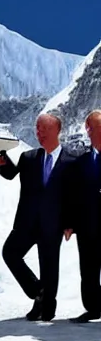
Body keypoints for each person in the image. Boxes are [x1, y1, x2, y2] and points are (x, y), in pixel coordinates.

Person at [0, 113, 75, 322]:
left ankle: (47, 307)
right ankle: (39, 292)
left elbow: (75, 196)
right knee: (10, 253)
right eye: (37, 129)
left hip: (53, 224)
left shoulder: (71, 161)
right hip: (26, 222)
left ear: (57, 131)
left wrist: (70, 223)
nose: (39, 133)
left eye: (44, 129)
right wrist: (0, 162)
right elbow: (10, 172)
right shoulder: (28, 158)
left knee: (49, 266)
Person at [68, 110, 101, 323]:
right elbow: (73, 196)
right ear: (88, 130)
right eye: (94, 127)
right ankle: (93, 308)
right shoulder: (81, 163)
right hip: (87, 224)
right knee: (88, 269)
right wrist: (70, 223)